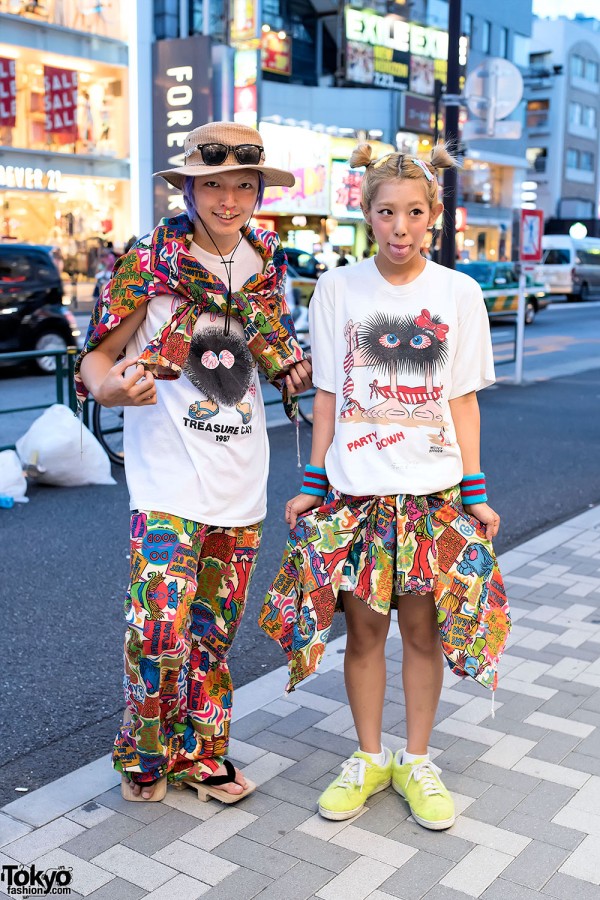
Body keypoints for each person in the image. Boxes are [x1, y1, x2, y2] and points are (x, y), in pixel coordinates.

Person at [260, 143, 510, 830]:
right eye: (386, 213)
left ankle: (418, 759)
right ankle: (369, 757)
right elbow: (330, 396)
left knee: (424, 636)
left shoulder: (459, 293)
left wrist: (476, 491)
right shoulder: (338, 288)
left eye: (414, 213)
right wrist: (313, 482)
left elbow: (462, 402)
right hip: (357, 496)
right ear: (366, 215)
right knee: (365, 636)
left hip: (432, 498)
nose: (401, 227)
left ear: (434, 216)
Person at [76, 121, 312, 803]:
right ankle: (144, 756)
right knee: (156, 628)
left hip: (242, 477)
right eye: (214, 184)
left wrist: (296, 372)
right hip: (166, 478)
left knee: (211, 635)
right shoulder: (147, 260)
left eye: (244, 185)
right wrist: (111, 385)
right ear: (189, 188)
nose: (229, 199)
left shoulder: (266, 261)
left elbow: (269, 343)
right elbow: (96, 356)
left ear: (258, 191)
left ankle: (202, 754)